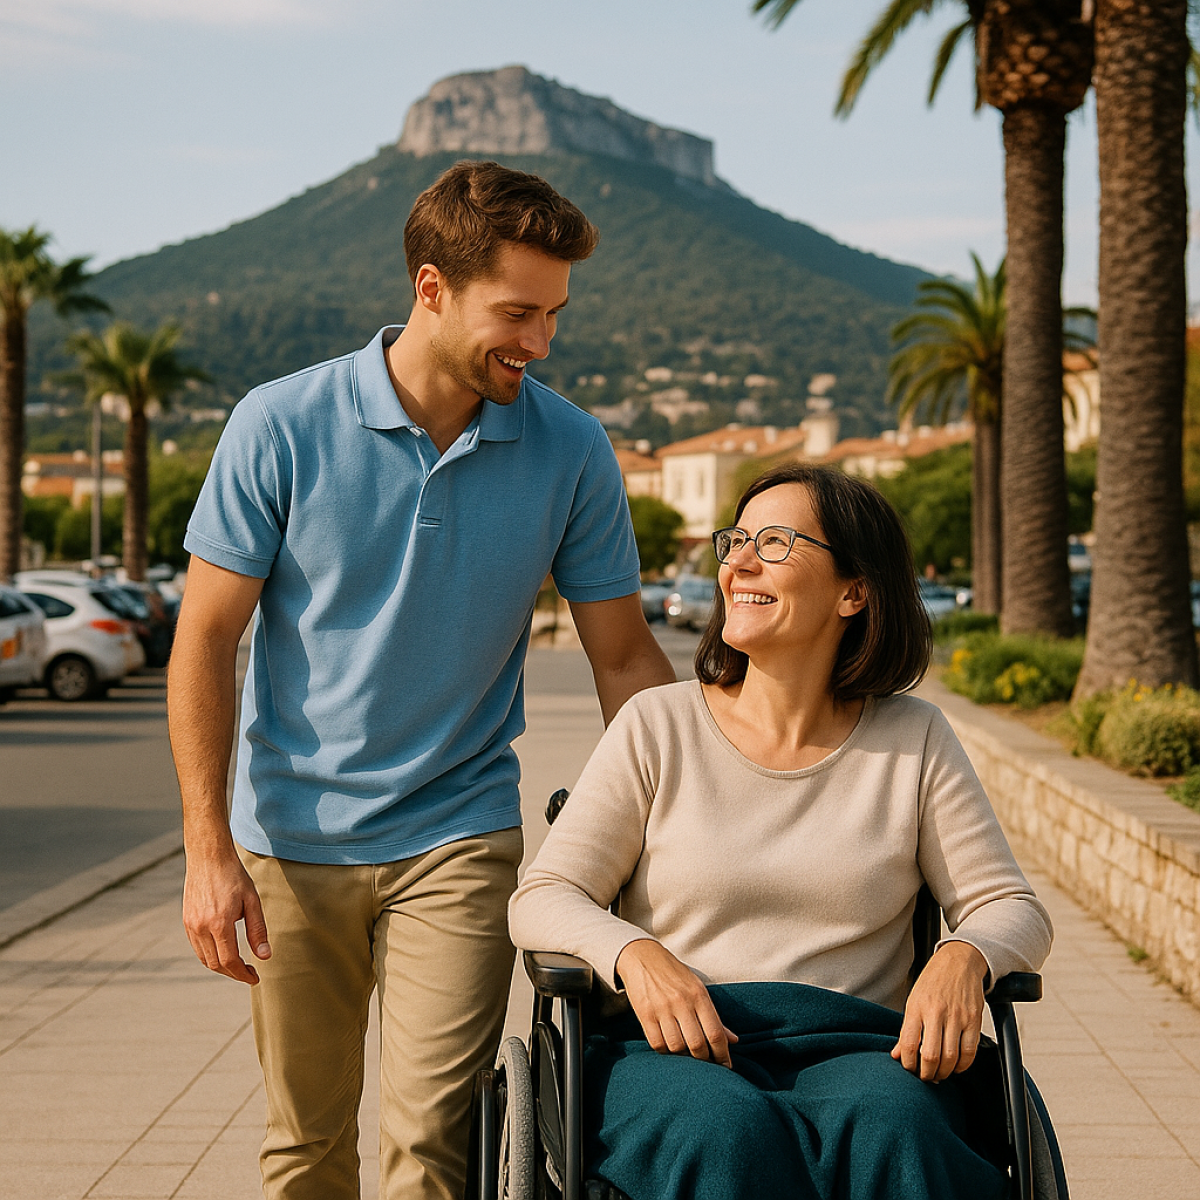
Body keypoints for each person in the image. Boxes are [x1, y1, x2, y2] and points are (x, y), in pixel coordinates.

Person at [167, 159, 675, 1200]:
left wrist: (692, 814)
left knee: (431, 1147)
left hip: (460, 831)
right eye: (518, 313)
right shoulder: (280, 423)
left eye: (554, 316)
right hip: (289, 843)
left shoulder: (570, 446)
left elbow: (624, 654)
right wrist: (207, 851)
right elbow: (205, 640)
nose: (539, 343)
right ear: (433, 287)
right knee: (304, 1147)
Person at [509, 462, 1053, 1200]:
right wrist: (632, 952)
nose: (738, 561)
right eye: (735, 540)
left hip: (861, 1046)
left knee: (898, 1123)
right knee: (722, 1130)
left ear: (854, 592)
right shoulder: (658, 726)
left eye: (773, 541)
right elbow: (544, 895)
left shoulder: (914, 740)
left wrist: (965, 955)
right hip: (674, 1048)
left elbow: (1011, 906)